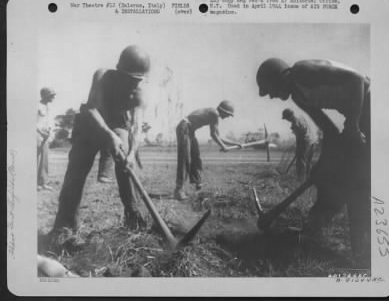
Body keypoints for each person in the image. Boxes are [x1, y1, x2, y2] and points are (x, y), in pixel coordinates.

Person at [256, 58, 370, 262]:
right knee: (330, 177)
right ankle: (316, 228)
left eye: (270, 90)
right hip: (356, 116)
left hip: (371, 108)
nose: (272, 95)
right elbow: (329, 130)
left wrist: (352, 126)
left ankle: (364, 254)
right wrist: (321, 165)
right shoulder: (299, 98)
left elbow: (358, 80)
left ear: (279, 78)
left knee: (354, 181)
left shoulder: (302, 71)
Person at [50, 45, 151, 235]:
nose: (133, 84)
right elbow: (91, 108)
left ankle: (134, 220)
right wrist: (108, 135)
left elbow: (136, 127)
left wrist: (130, 154)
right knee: (75, 174)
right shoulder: (102, 76)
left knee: (126, 163)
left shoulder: (138, 95)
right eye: (129, 78)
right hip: (90, 124)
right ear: (118, 70)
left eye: (137, 80)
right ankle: (64, 227)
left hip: (117, 126)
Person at [174, 101, 242, 200]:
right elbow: (213, 135)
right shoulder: (214, 114)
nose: (228, 117)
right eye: (228, 115)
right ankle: (178, 190)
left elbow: (219, 136)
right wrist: (224, 146)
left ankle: (198, 184)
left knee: (195, 156)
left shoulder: (214, 114)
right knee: (185, 159)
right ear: (223, 111)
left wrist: (236, 144)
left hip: (190, 130)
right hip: (184, 127)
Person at [281, 108, 315, 181]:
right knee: (308, 162)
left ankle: (300, 180)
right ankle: (308, 179)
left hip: (305, 142)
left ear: (289, 116)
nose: (286, 120)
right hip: (312, 141)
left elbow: (298, 137)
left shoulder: (294, 123)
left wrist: (298, 148)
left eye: (286, 118)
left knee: (300, 161)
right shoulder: (300, 117)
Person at [37, 87, 56, 191]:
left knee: (44, 159)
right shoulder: (36, 105)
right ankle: (35, 184)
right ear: (45, 95)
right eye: (51, 95)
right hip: (37, 135)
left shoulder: (48, 107)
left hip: (46, 135)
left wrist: (49, 130)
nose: (53, 98)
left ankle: (43, 182)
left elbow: (48, 121)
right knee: (36, 158)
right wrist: (40, 132)